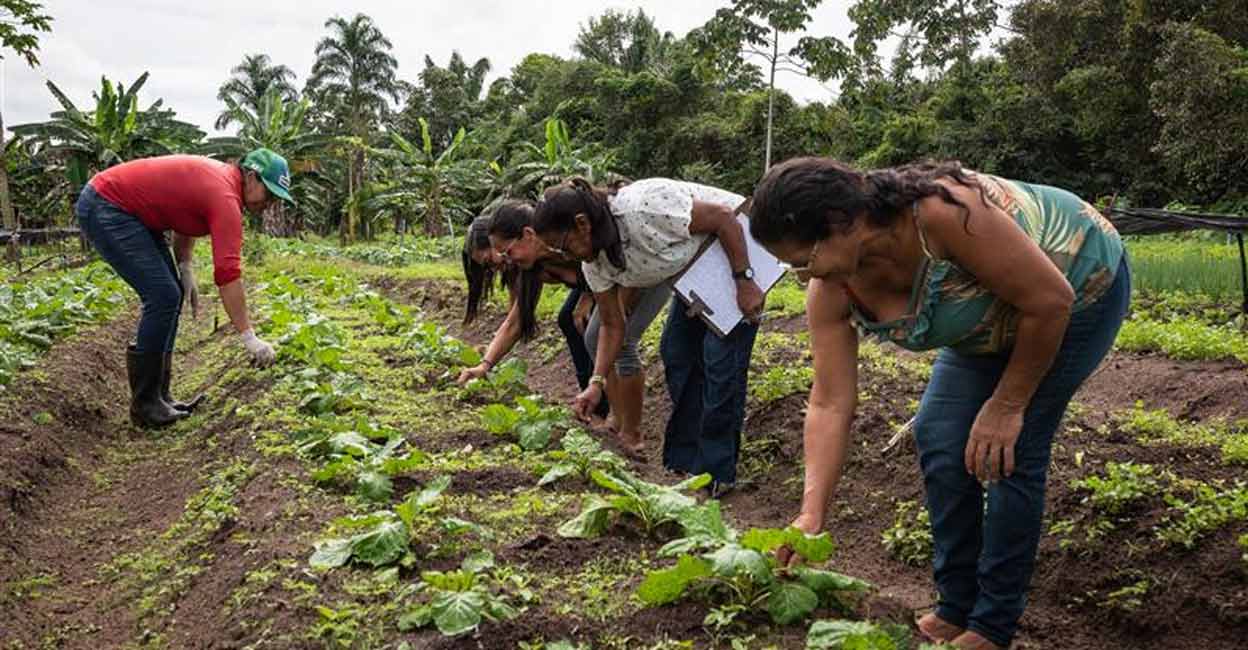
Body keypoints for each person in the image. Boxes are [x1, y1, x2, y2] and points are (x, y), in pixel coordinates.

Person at [747, 157, 1129, 650]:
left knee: (1007, 454)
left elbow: (1049, 300)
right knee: (941, 438)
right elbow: (829, 402)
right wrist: (812, 514)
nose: (802, 276)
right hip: (988, 320)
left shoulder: (943, 217)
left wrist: (1007, 405)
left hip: (1075, 289)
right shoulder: (832, 289)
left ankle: (992, 626)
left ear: (842, 224)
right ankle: (955, 606)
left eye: (803, 260)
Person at [504, 177, 764, 496]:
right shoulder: (595, 263)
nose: (563, 255)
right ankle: (685, 464)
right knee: (676, 353)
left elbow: (723, 217)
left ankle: (717, 472)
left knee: (721, 362)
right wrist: (596, 384)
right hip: (692, 276)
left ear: (582, 224)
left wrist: (745, 280)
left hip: (737, 250)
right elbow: (613, 327)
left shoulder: (643, 209)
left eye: (563, 245)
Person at [75, 149, 292, 428]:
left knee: (170, 294)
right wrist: (249, 337)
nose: (270, 204)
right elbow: (228, 274)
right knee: (162, 295)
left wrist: (185, 266)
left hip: (121, 207)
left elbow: (184, 214)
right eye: (270, 194)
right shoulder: (226, 196)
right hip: (107, 204)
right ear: (251, 177)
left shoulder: (223, 182)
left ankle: (159, 397)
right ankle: (145, 404)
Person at [455, 202, 611, 421]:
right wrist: (485, 365)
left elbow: (597, 261)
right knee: (567, 319)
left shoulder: (555, 242)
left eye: (493, 258)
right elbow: (515, 321)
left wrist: (588, 297)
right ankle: (596, 401)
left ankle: (616, 412)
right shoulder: (529, 266)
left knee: (591, 329)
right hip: (592, 282)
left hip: (612, 279)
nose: (496, 265)